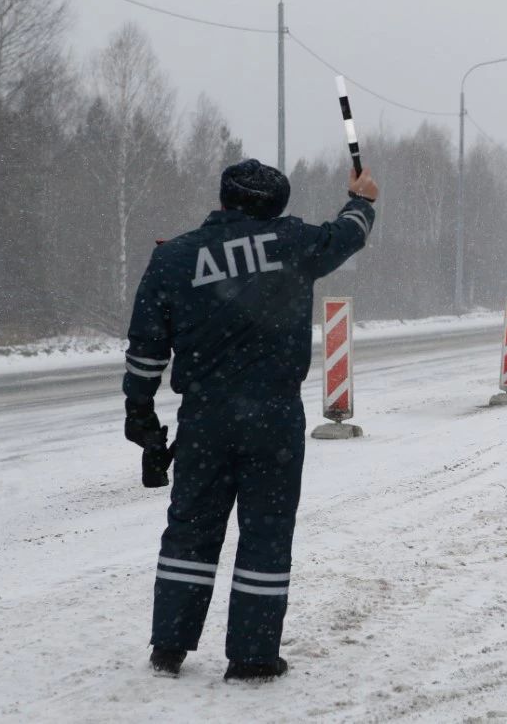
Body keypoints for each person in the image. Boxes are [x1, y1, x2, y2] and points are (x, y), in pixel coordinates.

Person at [122, 158, 378, 682]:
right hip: (275, 418)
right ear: (276, 207)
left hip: (204, 419)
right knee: (265, 534)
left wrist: (141, 413)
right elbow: (345, 237)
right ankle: (253, 656)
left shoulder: (174, 257)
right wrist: (363, 200)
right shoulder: (292, 244)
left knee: (190, 530)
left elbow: (147, 348)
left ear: (222, 201)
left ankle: (169, 646)